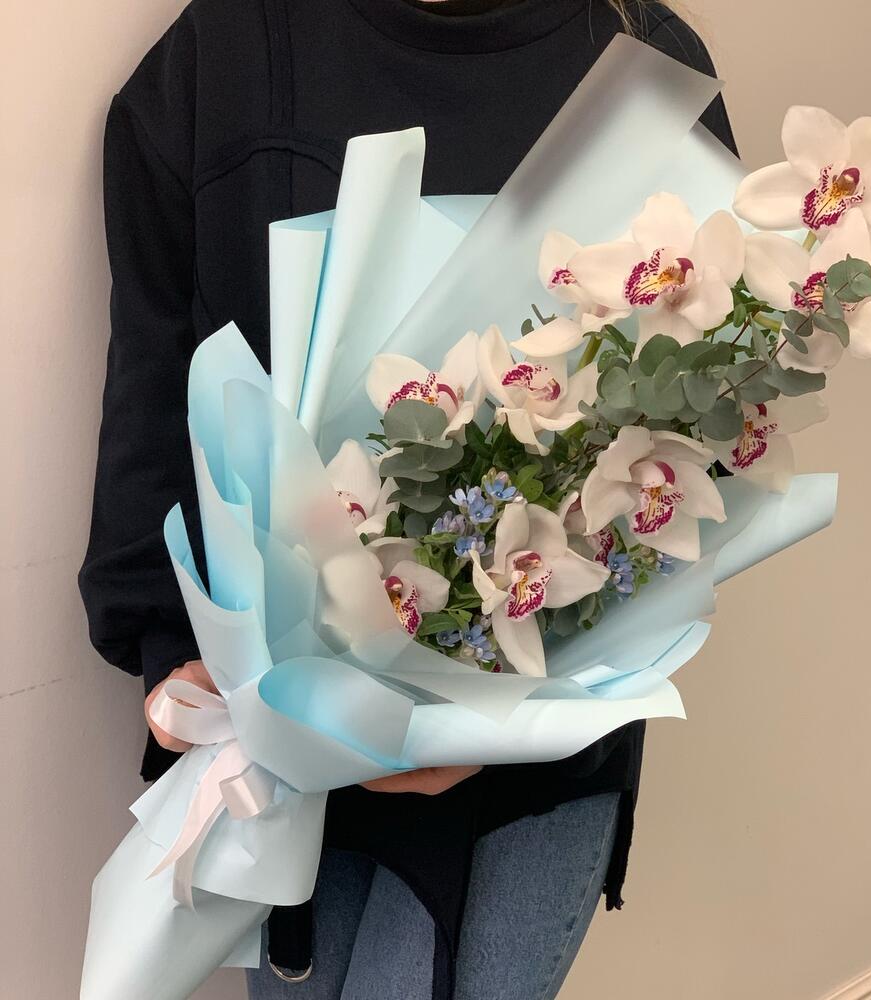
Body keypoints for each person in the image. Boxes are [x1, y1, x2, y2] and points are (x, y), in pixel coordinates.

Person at [79, 0, 737, 996]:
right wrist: (168, 645)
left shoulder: (646, 65)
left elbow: (704, 431)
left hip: (543, 735)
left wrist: (498, 705)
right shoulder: (221, 62)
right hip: (291, 733)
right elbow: (154, 379)